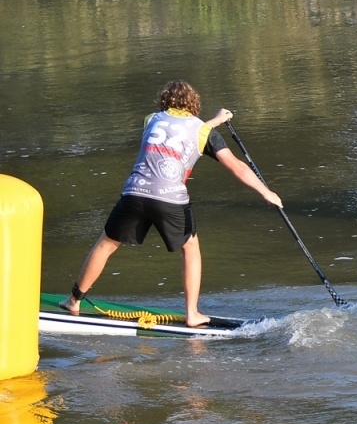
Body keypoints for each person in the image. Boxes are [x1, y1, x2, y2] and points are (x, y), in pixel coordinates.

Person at [64, 81, 282, 327]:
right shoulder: (204, 132)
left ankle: (74, 300)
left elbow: (178, 133)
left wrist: (215, 120)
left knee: (106, 244)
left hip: (134, 193)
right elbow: (236, 166)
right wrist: (266, 192)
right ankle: (192, 314)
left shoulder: (151, 120)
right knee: (190, 248)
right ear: (193, 104)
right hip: (170, 198)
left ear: (164, 102)